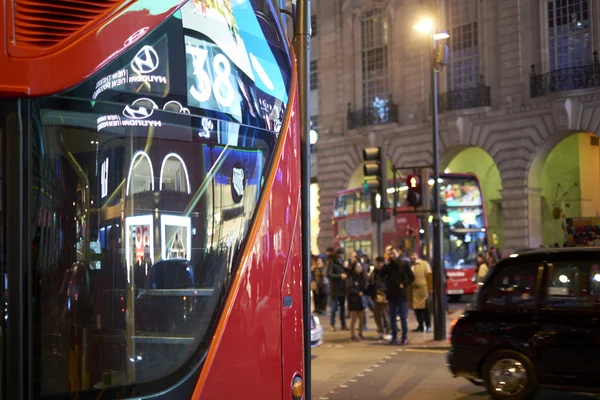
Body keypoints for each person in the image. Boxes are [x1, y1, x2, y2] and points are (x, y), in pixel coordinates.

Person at [382, 245, 414, 345]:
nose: (392, 255)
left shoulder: (404, 264)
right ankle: (394, 337)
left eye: (394, 253)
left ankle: (404, 337)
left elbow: (411, 278)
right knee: (392, 317)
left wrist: (403, 284)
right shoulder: (389, 265)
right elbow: (382, 275)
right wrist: (386, 263)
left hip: (401, 294)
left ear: (398, 253)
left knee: (403, 317)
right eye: (390, 254)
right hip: (391, 294)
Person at [408, 249, 431, 333]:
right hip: (413, 291)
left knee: (425, 309)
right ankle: (420, 325)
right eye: (410, 255)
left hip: (423, 290)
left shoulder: (424, 264)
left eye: (413, 255)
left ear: (417, 255)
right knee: (417, 310)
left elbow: (429, 276)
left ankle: (428, 325)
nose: (412, 257)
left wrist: (430, 289)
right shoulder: (410, 265)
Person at [368, 256, 390, 340]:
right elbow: (371, 283)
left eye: (380, 263)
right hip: (376, 296)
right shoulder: (374, 272)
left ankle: (388, 331)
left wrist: (387, 294)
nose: (378, 264)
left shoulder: (387, 271)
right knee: (377, 315)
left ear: (383, 263)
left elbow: (388, 283)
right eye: (377, 263)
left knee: (386, 315)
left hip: (385, 295)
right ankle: (380, 331)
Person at [328, 248, 348, 332]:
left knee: (343, 308)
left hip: (342, 288)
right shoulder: (332, 262)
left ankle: (343, 324)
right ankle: (332, 324)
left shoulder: (342, 262)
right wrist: (340, 276)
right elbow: (329, 274)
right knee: (334, 307)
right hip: (335, 288)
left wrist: (347, 268)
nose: (343, 255)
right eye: (342, 254)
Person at [346, 261, 367, 341]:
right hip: (353, 299)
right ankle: (352, 334)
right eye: (357, 266)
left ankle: (360, 333)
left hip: (361, 300)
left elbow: (365, 287)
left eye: (360, 266)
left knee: (362, 318)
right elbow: (349, 288)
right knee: (353, 318)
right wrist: (358, 293)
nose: (359, 268)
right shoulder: (350, 277)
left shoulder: (363, 276)